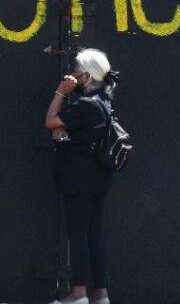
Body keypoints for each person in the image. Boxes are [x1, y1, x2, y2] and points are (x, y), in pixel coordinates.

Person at [44, 48, 116, 304]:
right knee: (94, 234)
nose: (71, 75)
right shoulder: (105, 101)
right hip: (99, 178)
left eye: (75, 71)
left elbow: (51, 121)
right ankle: (100, 294)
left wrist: (61, 92)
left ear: (86, 76)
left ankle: (78, 294)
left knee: (78, 234)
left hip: (79, 180)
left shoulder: (85, 105)